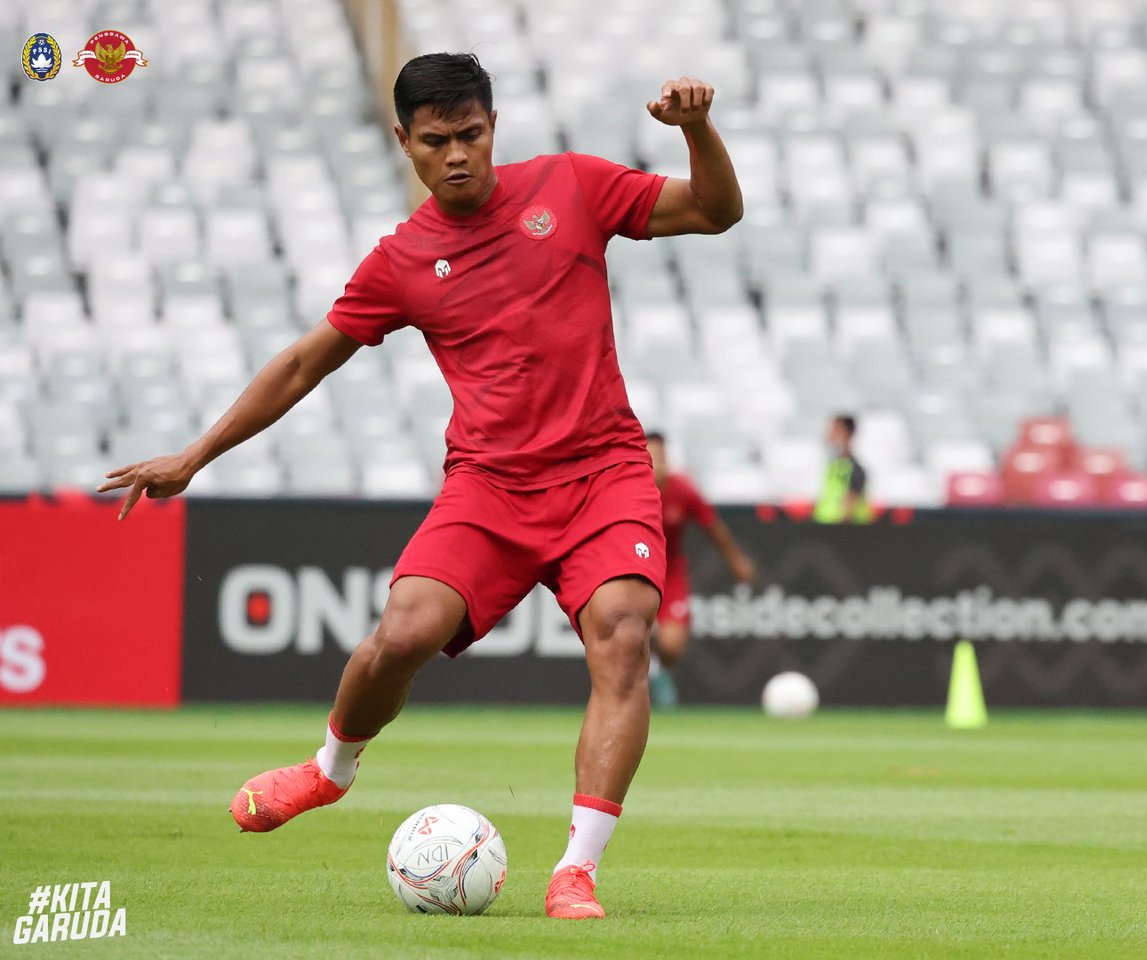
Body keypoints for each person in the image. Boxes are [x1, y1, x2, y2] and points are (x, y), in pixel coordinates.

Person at [98, 53, 741, 920]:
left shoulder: (572, 187)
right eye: (435, 141)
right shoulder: (403, 261)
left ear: (493, 126)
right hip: (491, 487)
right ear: (404, 141)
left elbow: (715, 209)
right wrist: (194, 456)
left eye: (471, 134)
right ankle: (329, 773)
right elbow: (297, 367)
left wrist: (698, 127)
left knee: (624, 636)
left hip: (604, 472)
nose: (457, 156)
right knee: (400, 635)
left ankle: (575, 871)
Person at [644, 431, 756, 706]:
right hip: (638, 573)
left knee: (671, 648)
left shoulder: (682, 490)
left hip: (671, 576)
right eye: (651, 455)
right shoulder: (631, 488)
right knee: (630, 635)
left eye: (662, 455)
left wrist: (735, 560)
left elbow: (712, 526)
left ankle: (657, 671)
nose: (658, 462)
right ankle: (641, 680)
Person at [813, 413, 871, 524]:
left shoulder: (854, 469)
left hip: (842, 533)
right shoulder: (834, 466)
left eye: (835, 430)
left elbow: (849, 507)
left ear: (847, 433)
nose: (829, 435)